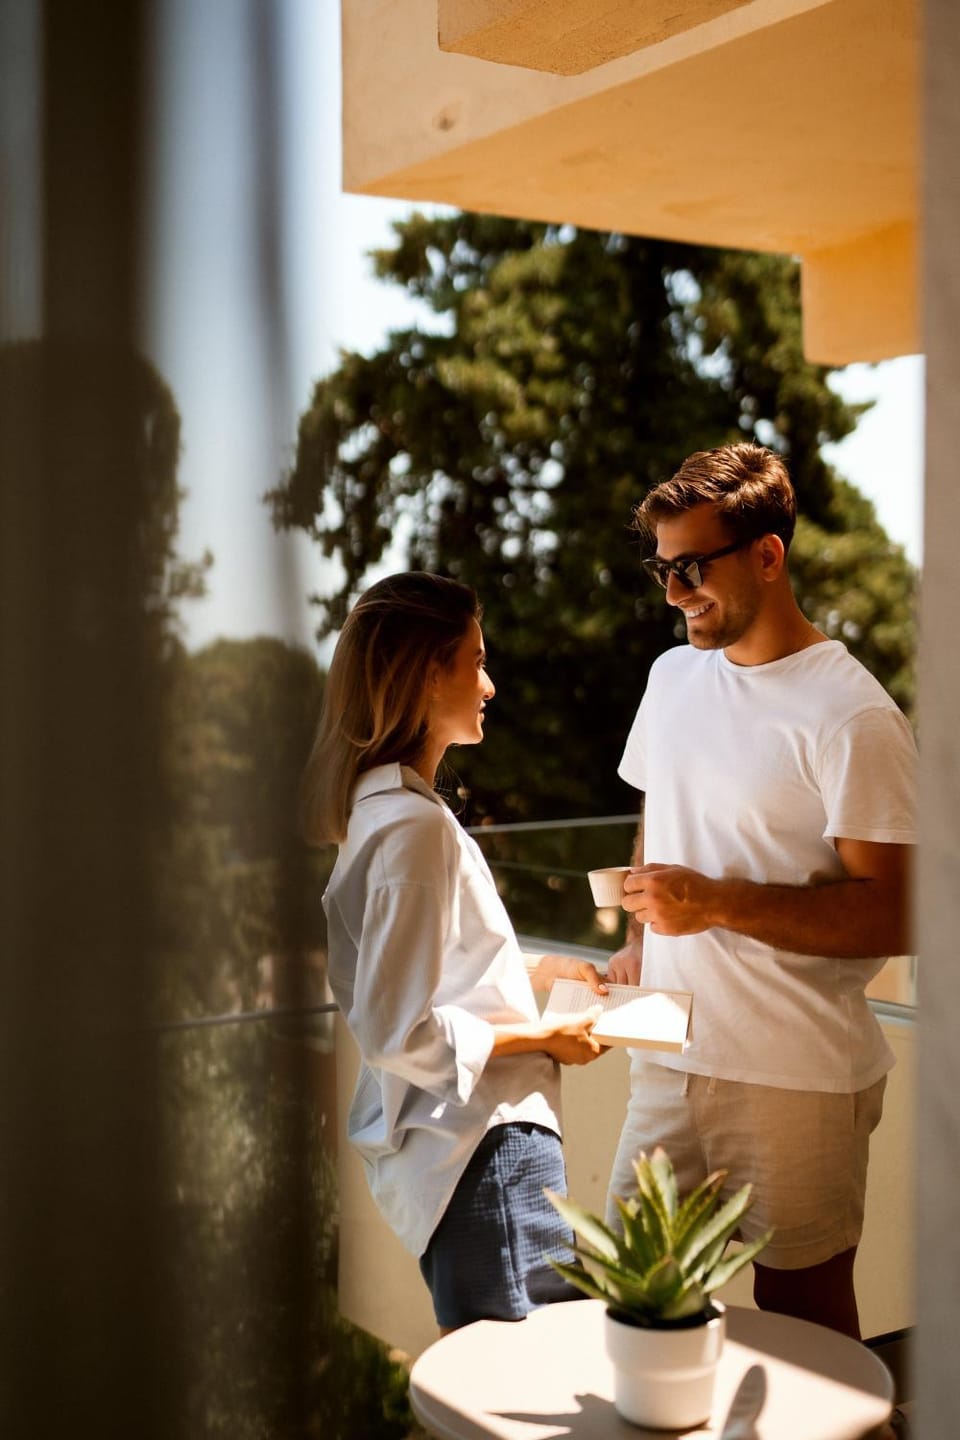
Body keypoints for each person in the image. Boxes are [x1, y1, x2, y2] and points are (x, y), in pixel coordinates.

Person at [605, 443, 917, 1339]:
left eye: (692, 568)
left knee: (805, 1331)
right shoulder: (671, 680)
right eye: (663, 570)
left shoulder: (851, 714)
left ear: (768, 556)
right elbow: (663, 812)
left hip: (796, 1076)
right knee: (631, 1292)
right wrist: (640, 939)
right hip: (668, 1056)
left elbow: (898, 910)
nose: (673, 592)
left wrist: (716, 903)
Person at [306, 570, 608, 1333]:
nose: (490, 684)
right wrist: (545, 1035)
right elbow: (394, 1030)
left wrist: (536, 974)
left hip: (477, 1152)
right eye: (475, 661)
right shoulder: (412, 829)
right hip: (487, 1148)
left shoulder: (393, 814)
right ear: (425, 671)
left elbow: (429, 981)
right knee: (526, 1393)